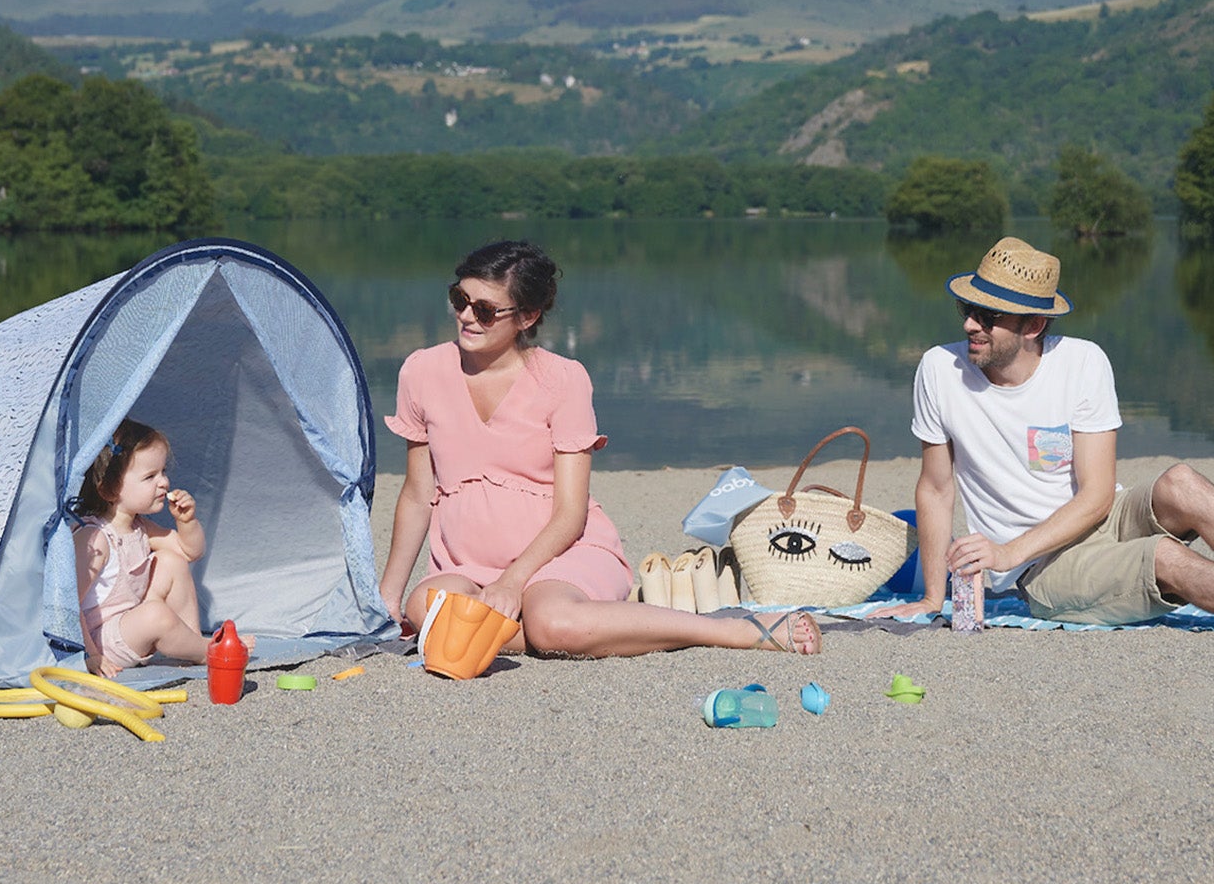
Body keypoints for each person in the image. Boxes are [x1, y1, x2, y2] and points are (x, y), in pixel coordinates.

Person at [380, 240, 820, 657]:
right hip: (466, 564)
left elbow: (571, 514)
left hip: (562, 554)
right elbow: (419, 495)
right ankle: (579, 627)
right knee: (428, 611)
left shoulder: (562, 380)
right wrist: (386, 600)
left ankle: (731, 630)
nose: (467, 317)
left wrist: (513, 583)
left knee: (553, 624)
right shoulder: (422, 372)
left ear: (527, 317)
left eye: (486, 309)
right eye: (460, 299)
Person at [886, 235, 1214, 624]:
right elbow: (936, 489)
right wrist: (932, 597)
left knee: (1182, 483)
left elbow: (1097, 496)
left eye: (989, 316)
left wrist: (1007, 550)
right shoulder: (939, 370)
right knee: (1165, 556)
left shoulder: (1083, 362)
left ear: (1035, 325)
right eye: (968, 308)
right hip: (1041, 569)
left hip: (1102, 520)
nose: (970, 324)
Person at [74, 418, 253, 677]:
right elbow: (69, 603)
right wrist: (90, 656)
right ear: (109, 490)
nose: (164, 482)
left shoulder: (139, 527)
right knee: (154, 614)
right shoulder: (95, 538)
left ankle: (189, 643)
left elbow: (190, 552)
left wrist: (186, 521)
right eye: (150, 476)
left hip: (128, 624)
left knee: (171, 561)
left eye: (163, 472)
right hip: (100, 644)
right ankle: (206, 650)